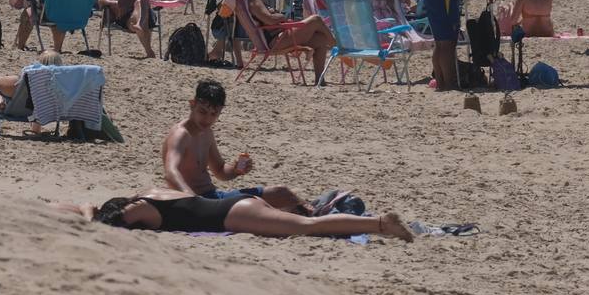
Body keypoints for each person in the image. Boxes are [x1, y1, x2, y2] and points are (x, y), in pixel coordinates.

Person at [161, 80, 309, 211]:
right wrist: (193, 201)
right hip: (196, 203)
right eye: (202, 112)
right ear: (192, 104)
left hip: (213, 197)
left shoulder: (206, 133)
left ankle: (314, 212)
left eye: (214, 114)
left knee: (282, 193)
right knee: (260, 208)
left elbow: (220, 171)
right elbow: (170, 173)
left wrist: (237, 169)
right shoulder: (181, 134)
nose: (207, 119)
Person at [70, 186, 412, 240]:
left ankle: (381, 223)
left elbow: (107, 230)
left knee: (307, 226)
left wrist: (87, 212)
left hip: (232, 216)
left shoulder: (137, 209)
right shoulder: (150, 193)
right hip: (234, 205)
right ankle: (380, 223)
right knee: (304, 223)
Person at [233, 0, 336, 82]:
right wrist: (281, 16)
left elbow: (266, 19)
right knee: (316, 20)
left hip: (277, 39)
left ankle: (319, 79)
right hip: (277, 41)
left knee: (320, 40)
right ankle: (335, 44)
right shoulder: (254, 1)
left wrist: (273, 14)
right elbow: (270, 20)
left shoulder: (248, 2)